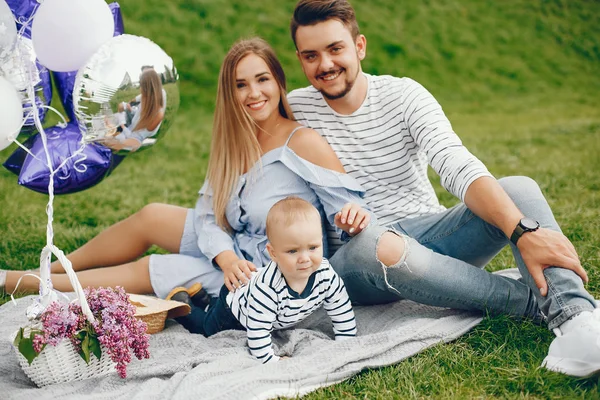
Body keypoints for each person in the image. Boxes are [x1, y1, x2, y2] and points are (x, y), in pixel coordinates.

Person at [285, 0, 600, 377]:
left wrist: (522, 230)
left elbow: (454, 162)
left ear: (360, 46)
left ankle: (577, 324)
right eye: (310, 55)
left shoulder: (404, 96)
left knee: (518, 187)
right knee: (374, 241)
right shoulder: (293, 110)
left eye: (335, 49)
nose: (325, 65)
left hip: (430, 236)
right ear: (300, 60)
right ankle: (539, 305)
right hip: (357, 261)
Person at [0, 38, 374, 311]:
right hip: (234, 249)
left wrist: (352, 223)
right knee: (152, 216)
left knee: (151, 269)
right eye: (240, 85)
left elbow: (349, 211)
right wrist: (224, 255)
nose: (253, 93)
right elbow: (211, 218)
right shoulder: (236, 144)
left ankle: (21, 282)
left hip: (265, 270)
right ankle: (49, 267)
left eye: (262, 79)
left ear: (279, 82)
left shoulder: (302, 142)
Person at [173, 197, 357, 363]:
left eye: (313, 247)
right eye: (293, 251)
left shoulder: (325, 274)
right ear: (273, 253)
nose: (305, 258)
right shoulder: (268, 289)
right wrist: (271, 361)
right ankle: (182, 306)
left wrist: (346, 340)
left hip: (252, 301)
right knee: (207, 328)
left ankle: (203, 298)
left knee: (214, 310)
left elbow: (340, 306)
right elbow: (257, 333)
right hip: (235, 307)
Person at [103, 68, 166, 151]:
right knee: (111, 115)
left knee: (104, 137)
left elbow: (136, 139)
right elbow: (138, 114)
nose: (140, 89)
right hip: (130, 126)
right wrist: (130, 110)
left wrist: (114, 136)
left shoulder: (158, 114)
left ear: (148, 88)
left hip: (130, 134)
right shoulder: (145, 97)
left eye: (142, 85)